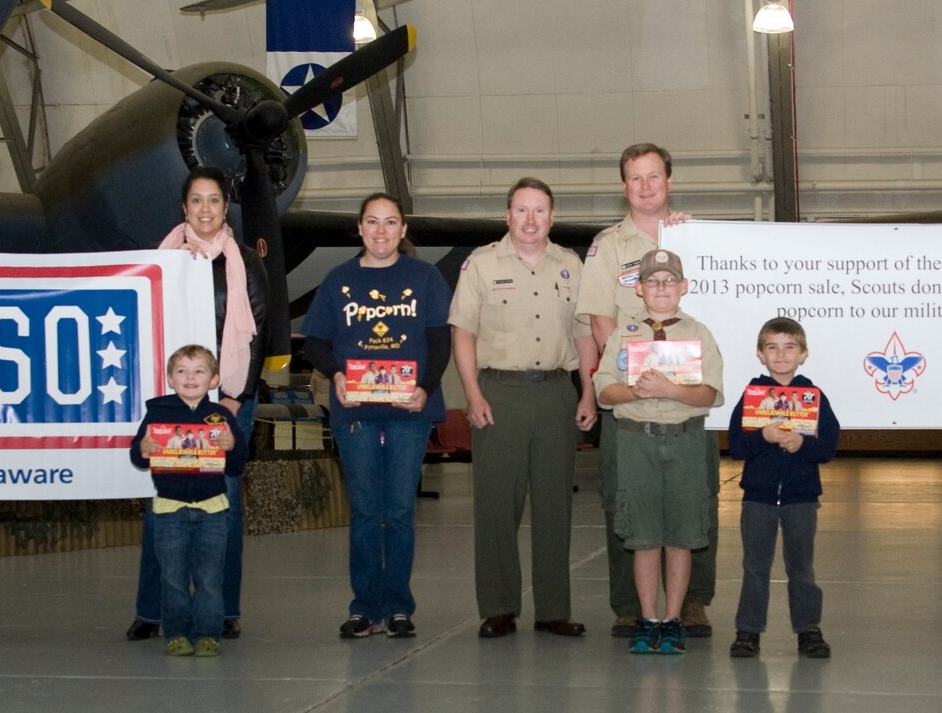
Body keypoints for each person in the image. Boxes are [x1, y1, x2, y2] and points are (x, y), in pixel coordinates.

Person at [577, 143, 719, 640]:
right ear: (624, 186)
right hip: (631, 400)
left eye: (653, 176)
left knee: (696, 501)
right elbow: (599, 318)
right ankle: (628, 606)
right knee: (623, 503)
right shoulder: (609, 245)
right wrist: (627, 376)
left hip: (685, 401)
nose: (645, 186)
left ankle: (693, 603)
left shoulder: (696, 236)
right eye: (635, 178)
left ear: (669, 181)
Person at [450, 178, 598, 639]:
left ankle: (553, 608)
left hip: (556, 392)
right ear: (507, 216)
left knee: (555, 506)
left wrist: (588, 392)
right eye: (521, 210)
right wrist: (472, 395)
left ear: (551, 217)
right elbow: (463, 333)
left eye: (539, 211)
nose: (530, 220)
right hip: (499, 395)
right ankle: (498, 607)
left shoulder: (571, 266)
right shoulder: (480, 265)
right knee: (497, 506)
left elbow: (583, 334)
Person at [127, 167, 269, 642]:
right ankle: (152, 612)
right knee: (162, 506)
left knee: (225, 508)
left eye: (214, 200)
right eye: (196, 201)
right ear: (183, 208)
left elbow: (258, 333)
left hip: (226, 399)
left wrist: (233, 398)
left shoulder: (246, 261)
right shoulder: (160, 260)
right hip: (172, 403)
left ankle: (224, 610)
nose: (205, 209)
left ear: (225, 208)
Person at [302, 193, 452, 640]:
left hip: (409, 412)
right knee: (367, 512)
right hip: (356, 413)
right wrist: (336, 376)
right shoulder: (338, 279)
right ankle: (365, 608)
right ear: (359, 228)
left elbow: (440, 341)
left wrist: (425, 388)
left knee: (400, 511)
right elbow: (314, 342)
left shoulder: (425, 278)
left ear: (403, 230)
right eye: (373, 222)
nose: (381, 231)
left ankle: (400, 607)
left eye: (391, 222)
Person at [592, 248, 724, 655]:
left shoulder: (698, 333)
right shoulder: (624, 333)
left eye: (669, 281)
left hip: (684, 441)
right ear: (640, 288)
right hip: (636, 441)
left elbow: (711, 393)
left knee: (681, 536)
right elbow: (603, 388)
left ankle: (673, 619)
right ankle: (647, 619)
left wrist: (670, 390)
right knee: (645, 535)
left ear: (683, 287)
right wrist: (632, 391)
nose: (661, 288)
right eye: (653, 281)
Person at [726, 317, 840, 660]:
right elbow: (736, 446)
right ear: (760, 354)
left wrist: (799, 442)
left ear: (803, 354)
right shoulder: (752, 396)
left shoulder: (814, 397)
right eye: (772, 348)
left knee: (801, 567)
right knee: (755, 566)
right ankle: (748, 631)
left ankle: (808, 630)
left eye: (789, 347)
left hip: (801, 498)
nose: (780, 355)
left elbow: (828, 449)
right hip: (757, 497)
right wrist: (765, 436)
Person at [130, 345, 243, 657]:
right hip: (169, 510)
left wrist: (232, 446)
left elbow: (236, 466)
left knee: (209, 579)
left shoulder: (222, 417)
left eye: (199, 371)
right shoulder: (157, 413)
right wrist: (144, 448)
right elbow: (138, 457)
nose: (190, 377)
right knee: (173, 578)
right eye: (181, 371)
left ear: (214, 379)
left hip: (213, 510)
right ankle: (177, 633)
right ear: (169, 378)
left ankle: (208, 634)